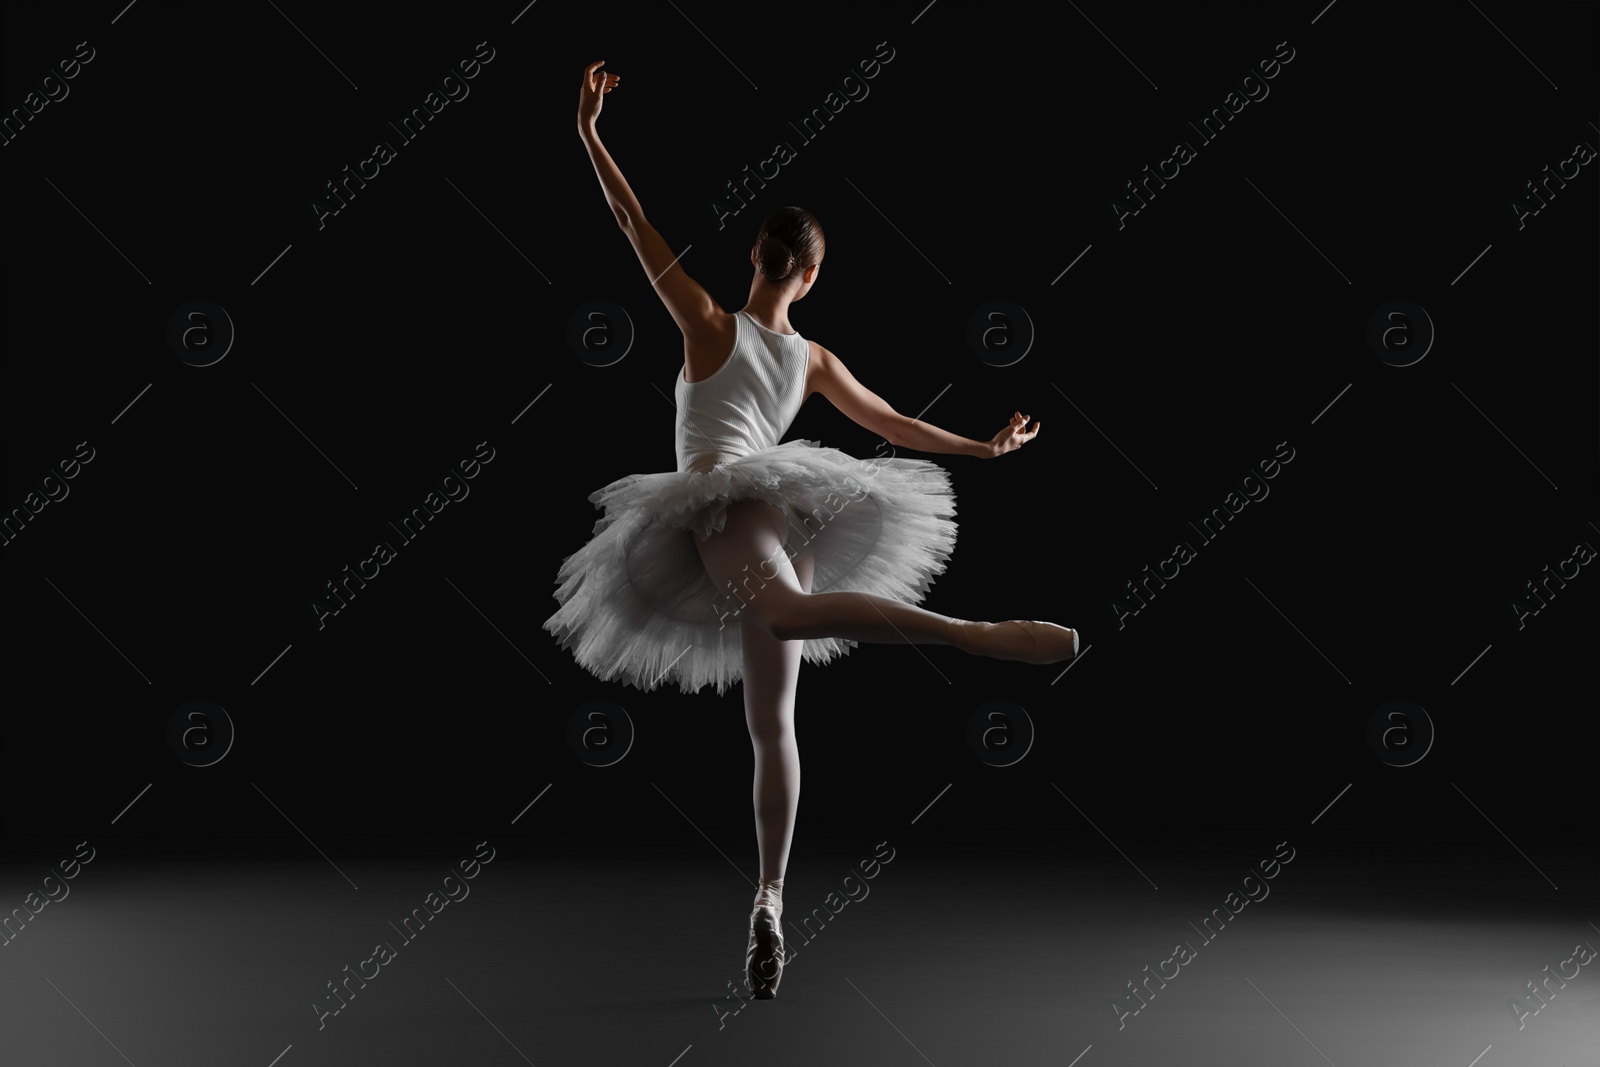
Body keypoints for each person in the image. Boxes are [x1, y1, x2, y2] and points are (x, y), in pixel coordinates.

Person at [547, 60, 1079, 999]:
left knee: (789, 626)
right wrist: (984, 450)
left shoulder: (708, 323)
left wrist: (591, 133)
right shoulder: (814, 355)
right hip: (785, 510)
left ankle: (969, 634)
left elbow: (635, 227)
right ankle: (770, 897)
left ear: (757, 258)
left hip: (727, 507)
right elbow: (895, 426)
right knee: (772, 724)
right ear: (812, 273)